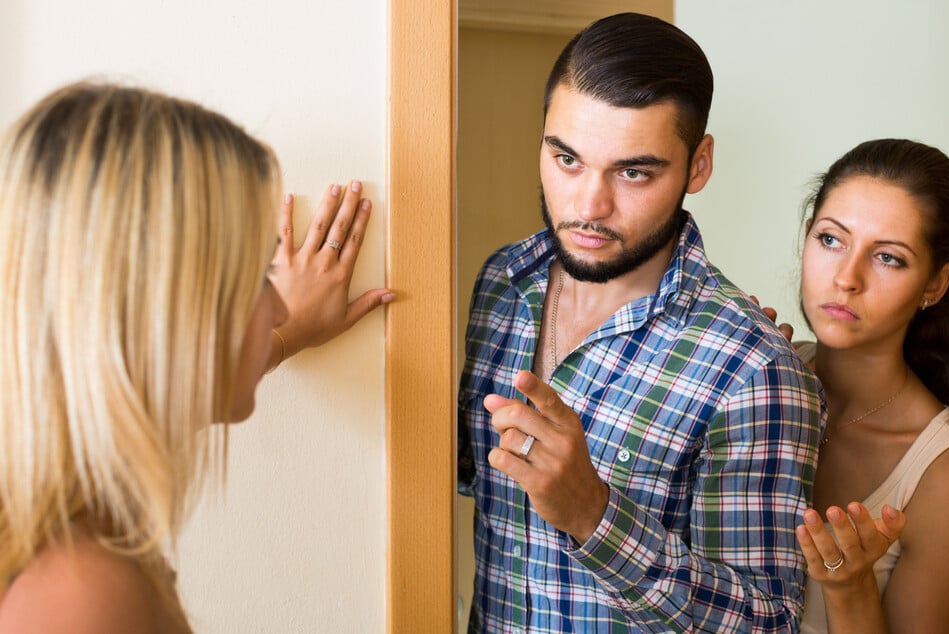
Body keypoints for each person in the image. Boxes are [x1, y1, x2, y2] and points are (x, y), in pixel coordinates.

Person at [457, 12, 824, 632]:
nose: (588, 205)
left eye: (634, 171)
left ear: (698, 166)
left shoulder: (751, 366)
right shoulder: (501, 284)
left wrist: (594, 516)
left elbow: (770, 623)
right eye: (566, 159)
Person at [0, 82, 392, 632]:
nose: (279, 309)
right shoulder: (83, 594)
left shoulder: (69, 530)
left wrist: (281, 341)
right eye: (255, 276)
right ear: (157, 307)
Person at [790, 139, 949, 633]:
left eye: (888, 258)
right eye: (832, 240)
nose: (846, 277)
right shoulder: (754, 375)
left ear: (934, 285)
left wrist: (849, 588)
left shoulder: (937, 473)